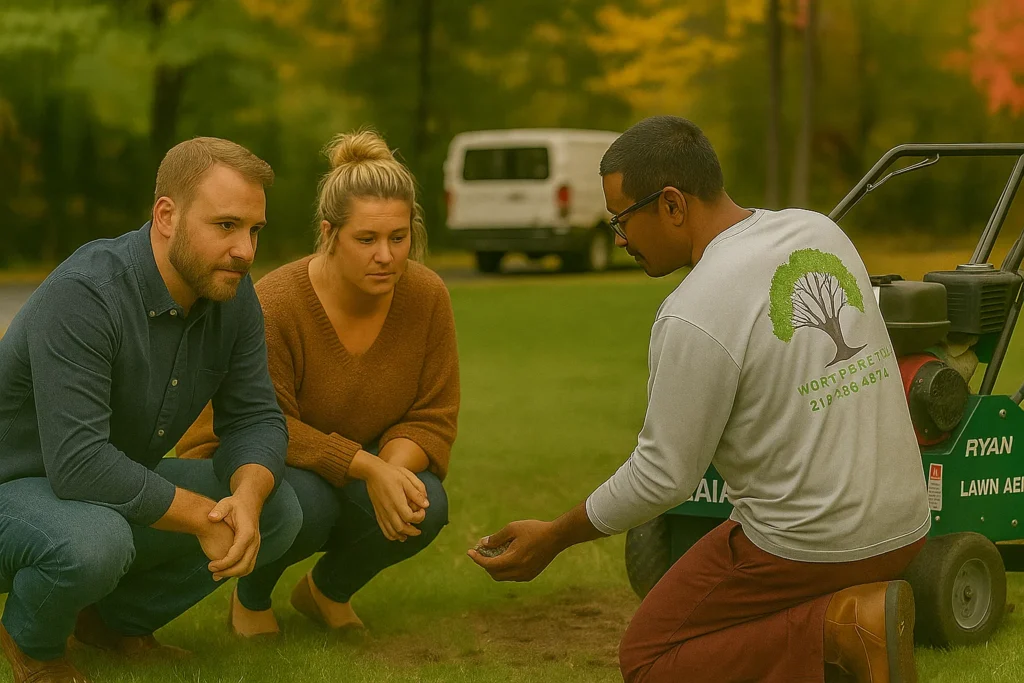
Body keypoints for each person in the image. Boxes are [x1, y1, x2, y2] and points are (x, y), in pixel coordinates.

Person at [469, 116, 931, 683]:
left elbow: (663, 477)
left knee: (649, 659)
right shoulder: (819, 231)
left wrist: (554, 536)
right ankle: (849, 630)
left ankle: (842, 625)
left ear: (671, 204)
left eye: (621, 219)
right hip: (908, 528)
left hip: (809, 547)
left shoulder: (695, 310)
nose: (619, 239)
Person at [0, 137, 304, 683]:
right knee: (95, 541)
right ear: (166, 216)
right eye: (226, 225)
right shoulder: (85, 294)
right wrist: (201, 517)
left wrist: (246, 498)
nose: (245, 250)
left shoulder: (232, 294)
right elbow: (80, 464)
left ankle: (111, 624)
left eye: (254, 230)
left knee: (278, 509)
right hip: (14, 488)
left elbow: (255, 417)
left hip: (94, 489)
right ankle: (33, 645)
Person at [177, 129, 459, 637]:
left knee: (425, 502)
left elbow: (432, 414)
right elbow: (263, 424)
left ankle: (326, 591)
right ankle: (251, 596)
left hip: (353, 464)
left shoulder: (427, 296)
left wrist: (392, 474)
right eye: (366, 240)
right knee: (307, 501)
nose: (386, 256)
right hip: (253, 463)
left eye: (398, 238)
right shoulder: (277, 303)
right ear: (330, 233)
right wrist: (367, 467)